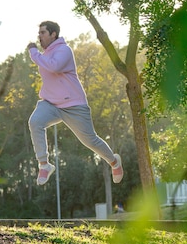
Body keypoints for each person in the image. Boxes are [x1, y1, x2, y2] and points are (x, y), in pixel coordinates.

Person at [27, 20, 124, 186]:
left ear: (53, 34)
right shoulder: (45, 54)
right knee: (35, 122)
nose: (39, 36)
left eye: (43, 32)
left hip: (73, 105)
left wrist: (34, 53)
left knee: (90, 140)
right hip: (50, 103)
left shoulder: (64, 50)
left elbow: (54, 67)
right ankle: (44, 164)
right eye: (39, 33)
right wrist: (37, 54)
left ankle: (114, 162)